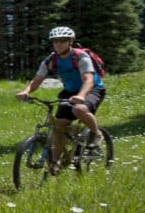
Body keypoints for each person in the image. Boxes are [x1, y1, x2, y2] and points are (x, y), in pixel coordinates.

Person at [15, 25, 106, 171]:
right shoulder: (51, 59)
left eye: (62, 40)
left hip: (92, 89)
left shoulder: (80, 56)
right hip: (70, 91)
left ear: (70, 42)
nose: (58, 44)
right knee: (59, 126)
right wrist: (26, 91)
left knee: (79, 109)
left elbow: (88, 79)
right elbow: (37, 80)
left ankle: (96, 134)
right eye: (55, 41)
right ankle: (55, 163)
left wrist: (81, 96)